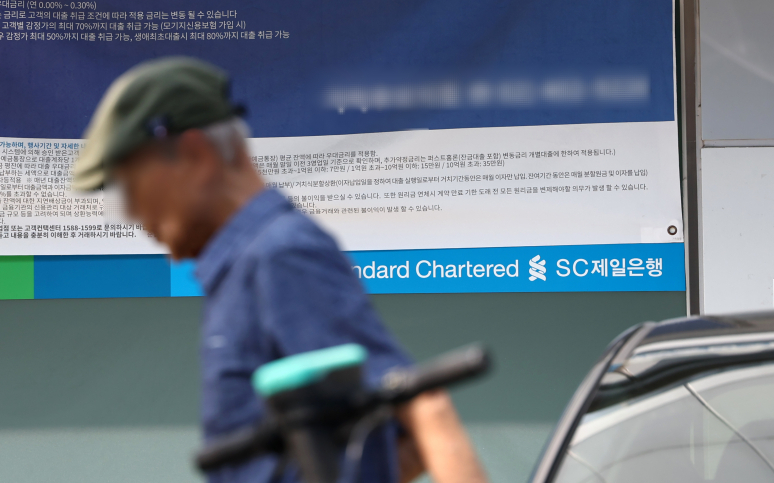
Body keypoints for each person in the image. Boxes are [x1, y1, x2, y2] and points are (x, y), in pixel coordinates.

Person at [72, 57, 489, 483]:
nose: (130, 212)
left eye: (131, 183)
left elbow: (422, 406)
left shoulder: (279, 254)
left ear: (195, 156)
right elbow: (397, 446)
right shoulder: (243, 267)